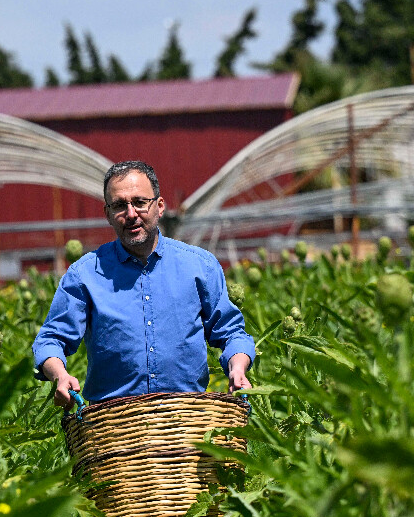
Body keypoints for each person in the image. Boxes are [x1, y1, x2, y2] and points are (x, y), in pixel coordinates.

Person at [33, 160, 255, 408]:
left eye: (140, 202)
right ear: (107, 214)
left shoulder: (200, 266)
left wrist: (237, 368)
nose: (131, 214)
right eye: (119, 205)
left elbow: (231, 333)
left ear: (159, 207)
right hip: (113, 419)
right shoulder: (84, 275)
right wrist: (60, 376)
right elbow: (51, 340)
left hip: (188, 415)